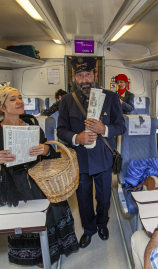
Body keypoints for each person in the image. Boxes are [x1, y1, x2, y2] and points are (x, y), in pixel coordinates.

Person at [0, 86, 79, 267]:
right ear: (2, 108)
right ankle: (38, 258)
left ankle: (55, 252)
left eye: (19, 97)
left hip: (40, 179)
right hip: (16, 185)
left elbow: (48, 149)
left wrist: (46, 149)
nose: (19, 102)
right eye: (12, 99)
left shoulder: (31, 122)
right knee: (29, 223)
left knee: (54, 213)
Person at [57, 57, 126, 249]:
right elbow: (61, 130)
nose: (84, 79)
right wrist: (76, 138)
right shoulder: (66, 100)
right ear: (75, 78)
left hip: (103, 156)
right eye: (80, 75)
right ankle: (89, 229)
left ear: (95, 75)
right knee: (83, 198)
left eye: (88, 74)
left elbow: (121, 127)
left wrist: (104, 128)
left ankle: (102, 224)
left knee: (104, 197)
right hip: (80, 158)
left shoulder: (111, 97)